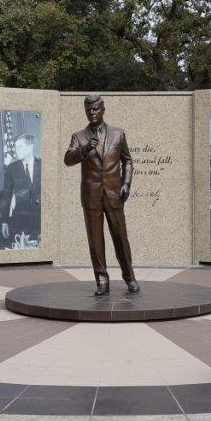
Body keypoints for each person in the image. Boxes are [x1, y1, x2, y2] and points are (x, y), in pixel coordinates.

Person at [65, 95, 138, 295]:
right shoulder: (78, 137)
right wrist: (85, 148)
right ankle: (102, 281)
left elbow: (128, 161)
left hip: (115, 194)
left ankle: (130, 277)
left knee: (121, 238)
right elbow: (68, 159)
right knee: (95, 241)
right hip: (91, 196)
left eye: (96, 109)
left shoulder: (118, 133)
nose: (92, 113)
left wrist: (126, 184)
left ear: (103, 109)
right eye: (88, 109)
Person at [0, 133, 42, 245]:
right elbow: (6, 195)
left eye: (20, 147)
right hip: (20, 222)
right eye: (15, 147)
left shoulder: (43, 165)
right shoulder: (12, 168)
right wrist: (4, 221)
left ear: (30, 146)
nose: (16, 150)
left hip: (41, 221)